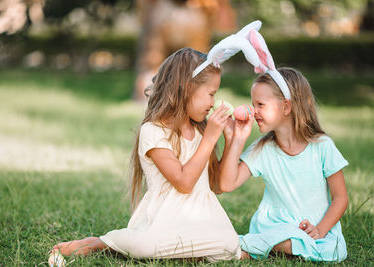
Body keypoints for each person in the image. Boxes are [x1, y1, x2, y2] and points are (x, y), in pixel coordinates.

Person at [51, 48, 243, 262]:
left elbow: (217, 185)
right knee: (146, 246)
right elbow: (184, 182)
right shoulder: (153, 131)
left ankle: (182, 250)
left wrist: (232, 139)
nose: (212, 102)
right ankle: (102, 243)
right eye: (211, 94)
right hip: (163, 220)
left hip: (201, 218)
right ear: (188, 89)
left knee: (228, 243)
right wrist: (209, 139)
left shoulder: (199, 129)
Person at [219, 67, 349, 262]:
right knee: (291, 240)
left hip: (316, 226)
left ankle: (261, 247)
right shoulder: (263, 149)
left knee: (335, 251)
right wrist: (237, 139)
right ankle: (281, 246)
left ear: (286, 107)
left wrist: (320, 230)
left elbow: (340, 198)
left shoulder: (322, 146)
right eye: (254, 104)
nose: (254, 112)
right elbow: (227, 184)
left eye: (260, 104)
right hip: (276, 226)